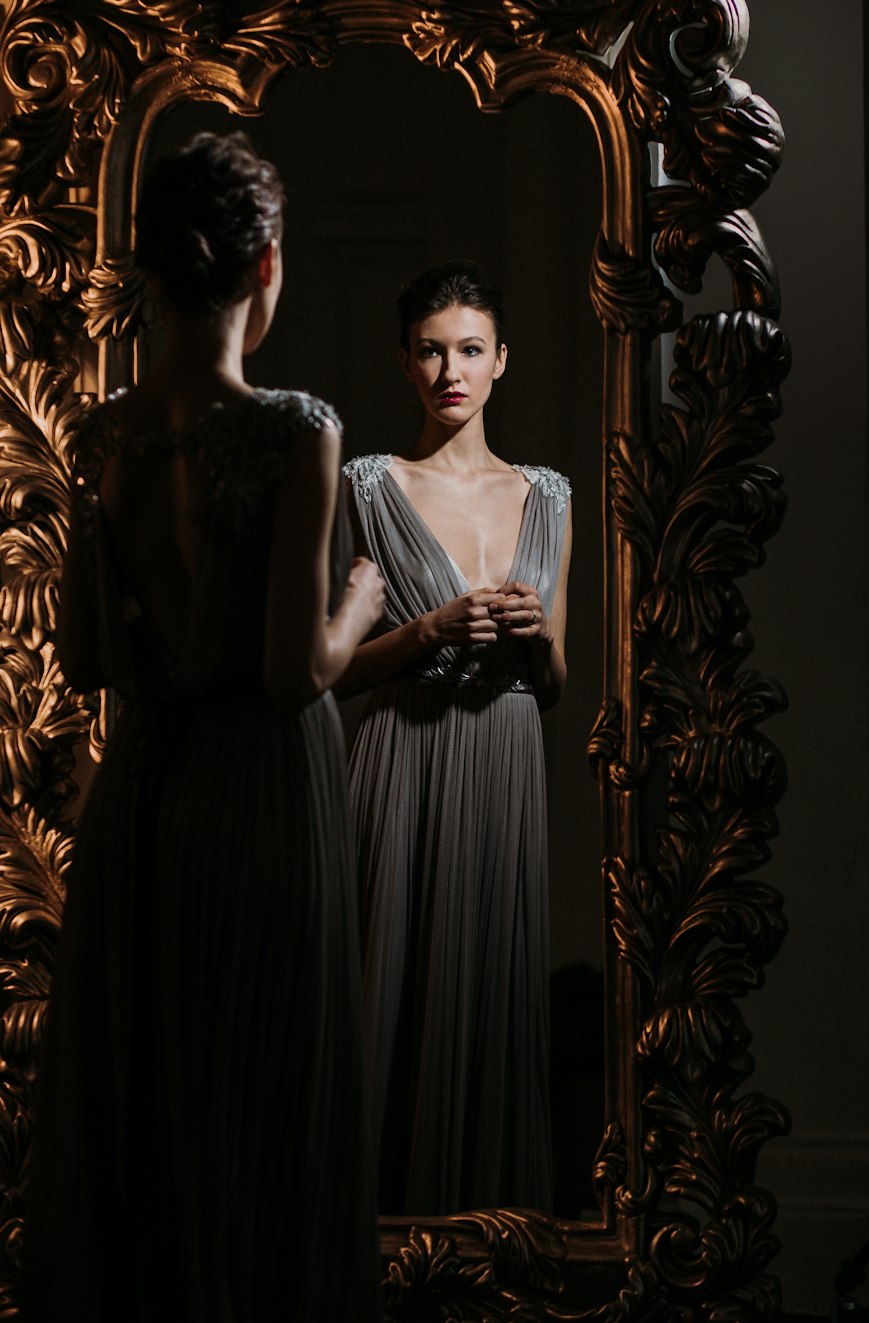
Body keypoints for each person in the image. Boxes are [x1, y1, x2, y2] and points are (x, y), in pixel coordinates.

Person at [20, 131, 385, 1322]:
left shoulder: (106, 432)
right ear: (266, 268)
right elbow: (294, 675)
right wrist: (362, 602)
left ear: (158, 273)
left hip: (148, 794)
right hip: (265, 793)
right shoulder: (297, 429)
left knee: (156, 1108)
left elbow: (80, 651)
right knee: (265, 1101)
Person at [338, 260, 572, 1215]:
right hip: (402, 758)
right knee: (386, 1000)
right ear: (404, 364)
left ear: (501, 360)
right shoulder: (367, 484)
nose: (451, 371)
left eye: (470, 350)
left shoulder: (548, 496)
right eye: (431, 352)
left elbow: (555, 683)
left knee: (491, 1008)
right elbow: (334, 670)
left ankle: (484, 1251)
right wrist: (428, 630)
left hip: (507, 763)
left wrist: (529, 639)